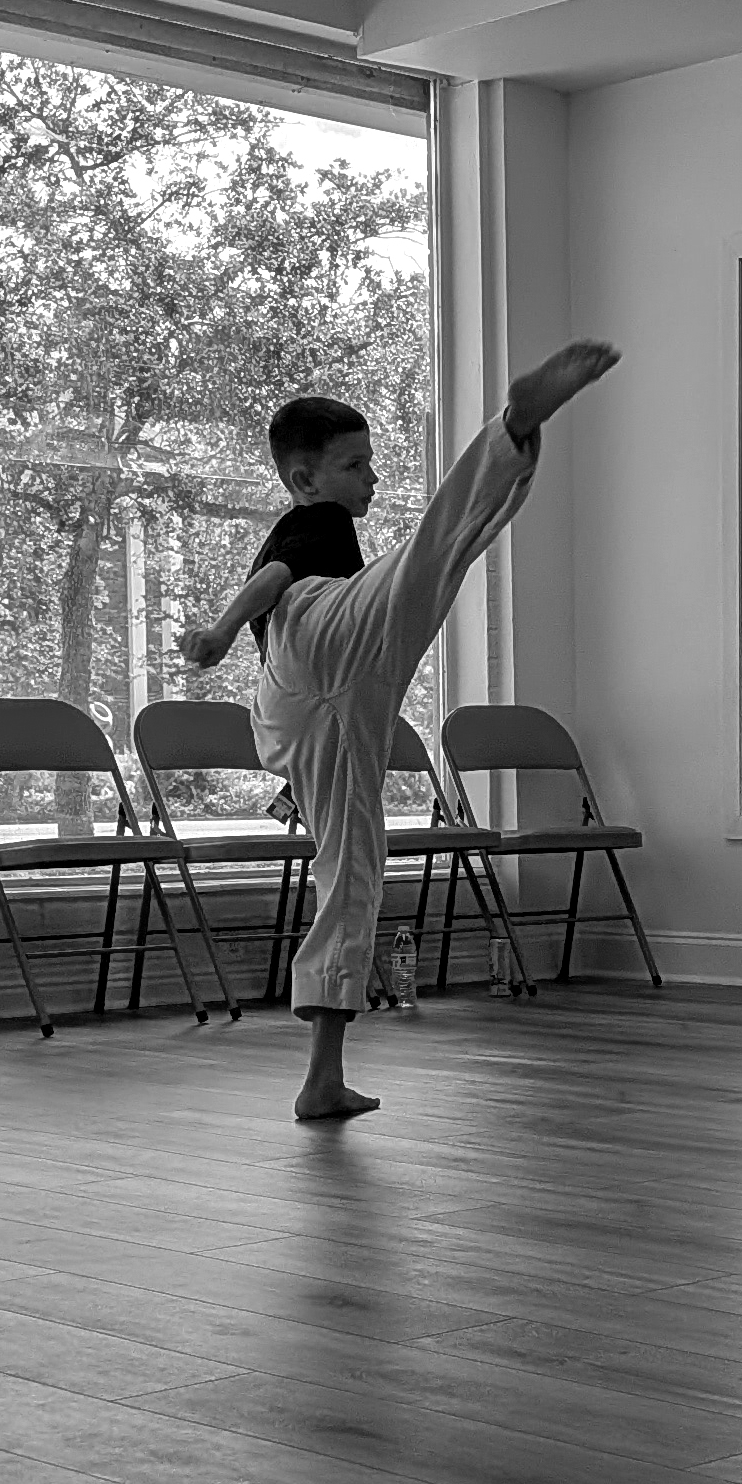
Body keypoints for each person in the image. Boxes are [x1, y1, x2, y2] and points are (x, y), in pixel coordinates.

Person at [178, 342, 619, 1120]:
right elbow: (275, 582)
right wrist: (215, 633)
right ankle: (511, 431)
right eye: (355, 465)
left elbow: (277, 590)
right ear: (304, 477)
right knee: (431, 554)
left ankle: (324, 1069)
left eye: (370, 463)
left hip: (293, 695)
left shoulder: (300, 524)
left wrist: (227, 642)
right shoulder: (312, 526)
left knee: (431, 561)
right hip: (325, 651)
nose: (370, 478)